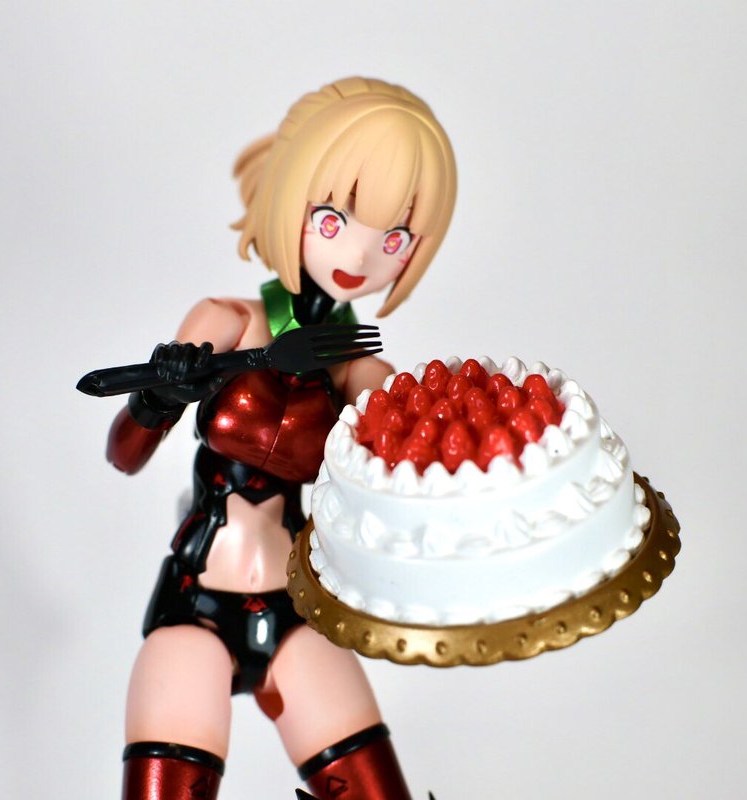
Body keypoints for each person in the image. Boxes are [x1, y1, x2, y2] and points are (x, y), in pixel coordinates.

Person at [105, 76, 456, 800]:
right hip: (196, 604)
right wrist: (160, 394)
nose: (361, 252)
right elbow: (124, 454)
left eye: (393, 238)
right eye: (333, 220)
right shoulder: (226, 323)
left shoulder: (359, 368)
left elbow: (413, 460)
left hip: (297, 613)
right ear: (291, 199)